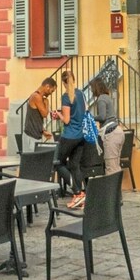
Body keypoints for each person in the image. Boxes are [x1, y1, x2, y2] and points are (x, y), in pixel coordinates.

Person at [52, 69, 87, 207]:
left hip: (69, 135)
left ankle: (77, 192)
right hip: (81, 136)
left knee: (57, 163)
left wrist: (58, 115)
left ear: (64, 83)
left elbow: (66, 120)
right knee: (74, 165)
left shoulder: (66, 96)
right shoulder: (81, 94)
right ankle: (81, 195)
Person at [91, 77, 125, 177]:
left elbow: (102, 117)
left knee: (111, 168)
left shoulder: (101, 99)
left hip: (111, 134)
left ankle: (112, 192)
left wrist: (90, 117)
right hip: (118, 131)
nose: (91, 90)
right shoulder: (107, 97)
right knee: (116, 166)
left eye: (92, 88)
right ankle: (117, 192)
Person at [23, 77, 57, 151]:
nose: (51, 93)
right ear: (47, 87)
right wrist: (47, 103)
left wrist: (43, 131)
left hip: (36, 135)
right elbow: (44, 114)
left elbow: (35, 118)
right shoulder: (36, 97)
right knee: (33, 160)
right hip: (31, 136)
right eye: (52, 91)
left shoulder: (39, 97)